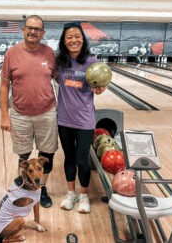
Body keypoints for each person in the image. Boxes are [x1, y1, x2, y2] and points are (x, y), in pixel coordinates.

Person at [0, 15, 58, 208]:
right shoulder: (11, 53)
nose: (33, 32)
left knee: (47, 154)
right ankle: (25, 189)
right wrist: (4, 115)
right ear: (23, 30)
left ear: (43, 33)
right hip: (20, 114)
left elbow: (60, 79)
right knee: (23, 156)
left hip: (46, 112)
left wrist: (87, 87)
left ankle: (42, 189)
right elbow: (4, 85)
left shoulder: (49, 53)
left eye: (37, 29)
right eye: (29, 28)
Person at [56, 22, 106, 214]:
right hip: (64, 119)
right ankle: (71, 193)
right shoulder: (60, 61)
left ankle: (83, 194)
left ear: (82, 39)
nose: (74, 40)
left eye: (77, 36)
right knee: (69, 158)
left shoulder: (92, 62)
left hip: (85, 120)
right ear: (64, 41)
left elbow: (100, 84)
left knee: (82, 160)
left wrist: (100, 88)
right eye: (69, 37)